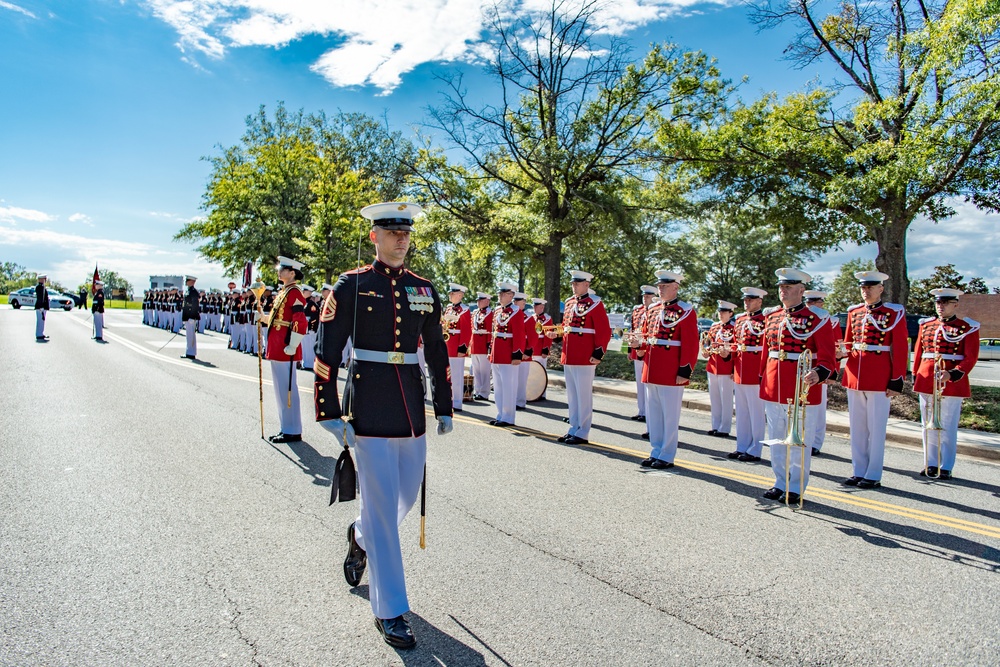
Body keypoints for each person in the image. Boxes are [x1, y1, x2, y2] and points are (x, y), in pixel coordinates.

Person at [313, 201, 452, 650]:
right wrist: (328, 410)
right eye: (392, 232)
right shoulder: (352, 285)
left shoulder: (424, 288)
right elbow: (327, 349)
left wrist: (445, 405)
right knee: (384, 514)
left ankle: (359, 534)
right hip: (368, 406)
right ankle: (390, 609)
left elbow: (436, 350)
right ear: (375, 236)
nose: (401, 239)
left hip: (411, 407)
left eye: (406, 232)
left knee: (404, 498)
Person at [759, 268, 836, 505]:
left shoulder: (818, 318)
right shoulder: (772, 316)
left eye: (789, 287)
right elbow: (766, 352)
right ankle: (780, 481)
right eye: (781, 287)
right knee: (777, 437)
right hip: (775, 384)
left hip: (802, 385)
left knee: (800, 439)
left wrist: (819, 372)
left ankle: (796, 486)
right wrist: (762, 378)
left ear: (801, 290)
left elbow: (827, 356)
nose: (783, 291)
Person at [840, 271, 907, 489]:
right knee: (857, 427)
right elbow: (849, 343)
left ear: (881, 289)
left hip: (879, 376)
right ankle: (859, 470)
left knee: (876, 428)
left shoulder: (893, 313)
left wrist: (897, 377)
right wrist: (840, 353)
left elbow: (899, 346)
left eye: (870, 287)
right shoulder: (854, 312)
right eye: (863, 287)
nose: (866, 291)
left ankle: (873, 473)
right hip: (855, 374)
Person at [913, 288, 980, 480]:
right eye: (938, 303)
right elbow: (919, 352)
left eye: (945, 303)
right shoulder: (926, 325)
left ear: (955, 304)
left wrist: (951, 373)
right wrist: (916, 375)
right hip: (927, 378)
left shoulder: (967, 327)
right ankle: (930, 463)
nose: (940, 307)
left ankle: (946, 465)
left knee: (948, 424)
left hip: (951, 381)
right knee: (927, 424)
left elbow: (971, 357)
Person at [634, 270, 698, 469]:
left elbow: (690, 344)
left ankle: (667, 454)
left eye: (665, 286)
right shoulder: (652, 309)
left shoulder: (685, 310)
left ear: (676, 287)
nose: (660, 289)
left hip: (671, 369)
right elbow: (647, 337)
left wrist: (684, 370)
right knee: (653, 413)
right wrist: (638, 345)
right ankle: (656, 450)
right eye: (659, 286)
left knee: (669, 415)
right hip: (651, 366)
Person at [549, 270, 612, 445]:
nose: (574, 286)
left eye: (577, 283)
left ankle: (583, 431)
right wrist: (558, 334)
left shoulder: (595, 303)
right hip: (569, 353)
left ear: (586, 284)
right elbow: (568, 327)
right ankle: (573, 427)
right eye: (572, 283)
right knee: (572, 395)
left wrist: (598, 352)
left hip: (585, 355)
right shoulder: (569, 303)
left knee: (583, 395)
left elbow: (604, 331)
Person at [265, 257, 308, 444]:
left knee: (287, 389)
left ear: (292, 273)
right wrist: (262, 317)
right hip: (278, 345)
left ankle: (292, 429)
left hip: (285, 347)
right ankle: (286, 427)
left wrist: (294, 343)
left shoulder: (294, 292)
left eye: (283, 269)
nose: (279, 271)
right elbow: (277, 319)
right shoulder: (285, 291)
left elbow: (300, 320)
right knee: (280, 389)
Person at [729, 287, 768, 462]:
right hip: (740, 369)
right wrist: (731, 367)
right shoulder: (740, 319)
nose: (747, 303)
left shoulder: (765, 320)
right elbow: (735, 345)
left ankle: (755, 449)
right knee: (742, 413)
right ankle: (742, 446)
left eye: (750, 300)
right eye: (745, 300)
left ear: (759, 301)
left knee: (756, 413)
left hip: (754, 371)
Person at [803, 290, 841, 455]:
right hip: (804, 365)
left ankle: (816, 442)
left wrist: (832, 373)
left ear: (821, 303)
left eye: (814, 302)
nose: (810, 305)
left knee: (818, 408)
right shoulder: (804, 319)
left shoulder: (830, 321)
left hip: (821, 367)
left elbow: (837, 349)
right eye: (808, 302)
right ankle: (805, 438)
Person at [489, 283, 526, 426]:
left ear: (511, 295)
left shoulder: (516, 311)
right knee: (498, 386)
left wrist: (517, 354)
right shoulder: (498, 311)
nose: (500, 296)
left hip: (508, 354)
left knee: (508, 386)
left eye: (503, 294)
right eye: (500, 293)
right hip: (497, 353)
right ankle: (500, 414)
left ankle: (508, 417)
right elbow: (494, 333)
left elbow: (519, 335)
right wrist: (490, 351)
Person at [703, 300, 737, 438]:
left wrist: (733, 368)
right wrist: (706, 350)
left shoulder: (734, 327)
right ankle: (715, 425)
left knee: (726, 398)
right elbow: (708, 343)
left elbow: (736, 349)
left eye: (724, 312)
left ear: (731, 313)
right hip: (713, 366)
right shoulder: (715, 326)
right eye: (719, 311)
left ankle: (724, 427)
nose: (721, 314)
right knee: (715, 397)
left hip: (726, 367)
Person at [628, 285, 657, 422]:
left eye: (648, 296)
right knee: (639, 382)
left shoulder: (656, 311)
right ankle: (642, 411)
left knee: (648, 383)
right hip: (636, 348)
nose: (645, 298)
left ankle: (649, 412)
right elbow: (633, 329)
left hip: (649, 349)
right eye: (644, 296)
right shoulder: (637, 310)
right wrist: (629, 350)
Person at [443, 283, 472, 412]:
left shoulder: (465, 310)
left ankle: (457, 402)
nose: (450, 295)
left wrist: (462, 348)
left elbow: (466, 331)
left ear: (460, 295)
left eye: (452, 293)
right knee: (448, 375)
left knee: (456, 375)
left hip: (456, 347)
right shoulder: (449, 308)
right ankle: (449, 399)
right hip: (448, 344)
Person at [527, 298, 553, 400]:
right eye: (534, 306)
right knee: (532, 372)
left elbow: (548, 336)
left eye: (536, 306)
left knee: (541, 372)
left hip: (540, 348)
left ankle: (542, 393)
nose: (534, 308)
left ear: (542, 307)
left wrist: (545, 349)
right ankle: (532, 392)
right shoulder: (532, 318)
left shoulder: (547, 319)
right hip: (532, 348)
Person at [470, 292, 494, 401]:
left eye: (481, 300)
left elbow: (490, 330)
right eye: (478, 300)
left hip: (483, 344)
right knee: (476, 370)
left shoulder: (490, 313)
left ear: (487, 301)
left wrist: (489, 345)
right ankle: (477, 390)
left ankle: (484, 392)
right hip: (475, 344)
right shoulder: (475, 313)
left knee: (484, 370)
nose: (478, 302)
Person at [513, 292, 535, 411]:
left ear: (524, 303)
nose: (516, 303)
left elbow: (533, 336)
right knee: (514, 379)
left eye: (519, 302)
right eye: (515, 301)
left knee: (521, 379)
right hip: (515, 352)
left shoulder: (528, 317)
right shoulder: (513, 314)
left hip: (524, 353)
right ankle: (514, 400)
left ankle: (520, 402)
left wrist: (528, 351)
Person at [300, 286, 319, 370]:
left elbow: (314, 317)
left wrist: (310, 327)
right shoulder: (305, 303)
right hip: (305, 327)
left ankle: (310, 364)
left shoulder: (312, 304)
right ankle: (306, 363)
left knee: (309, 346)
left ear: (309, 293)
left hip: (310, 328)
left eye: (304, 291)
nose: (303, 292)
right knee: (304, 346)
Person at [182, 276, 200, 359]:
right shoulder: (188, 291)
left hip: (191, 316)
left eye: (188, 280)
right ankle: (189, 351)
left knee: (191, 335)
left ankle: (191, 353)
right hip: (187, 315)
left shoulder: (194, 292)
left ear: (192, 282)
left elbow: (195, 306)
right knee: (189, 335)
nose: (186, 282)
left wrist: (192, 316)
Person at [34, 274, 50, 341]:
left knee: (42, 321)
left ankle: (41, 333)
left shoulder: (42, 287)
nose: (45, 280)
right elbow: (40, 298)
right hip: (41, 307)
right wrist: (41, 307)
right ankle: (39, 334)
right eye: (44, 279)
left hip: (42, 307)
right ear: (41, 279)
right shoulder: (40, 287)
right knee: (40, 321)